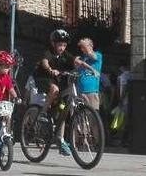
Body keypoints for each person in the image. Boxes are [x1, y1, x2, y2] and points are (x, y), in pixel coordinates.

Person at [32, 28, 76, 156]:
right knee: (55, 89)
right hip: (43, 78)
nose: (62, 47)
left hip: (56, 79)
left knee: (63, 109)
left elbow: (75, 61)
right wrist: (51, 69)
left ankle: (60, 140)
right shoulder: (48, 52)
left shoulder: (65, 54)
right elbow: (45, 63)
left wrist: (86, 68)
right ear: (53, 43)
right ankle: (43, 113)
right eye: (60, 45)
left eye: (64, 45)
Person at [75, 37, 102, 110]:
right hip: (80, 91)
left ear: (90, 46)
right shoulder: (83, 58)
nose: (82, 49)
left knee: (92, 117)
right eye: (81, 47)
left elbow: (93, 56)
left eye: (84, 47)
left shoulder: (98, 55)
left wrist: (85, 45)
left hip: (91, 91)